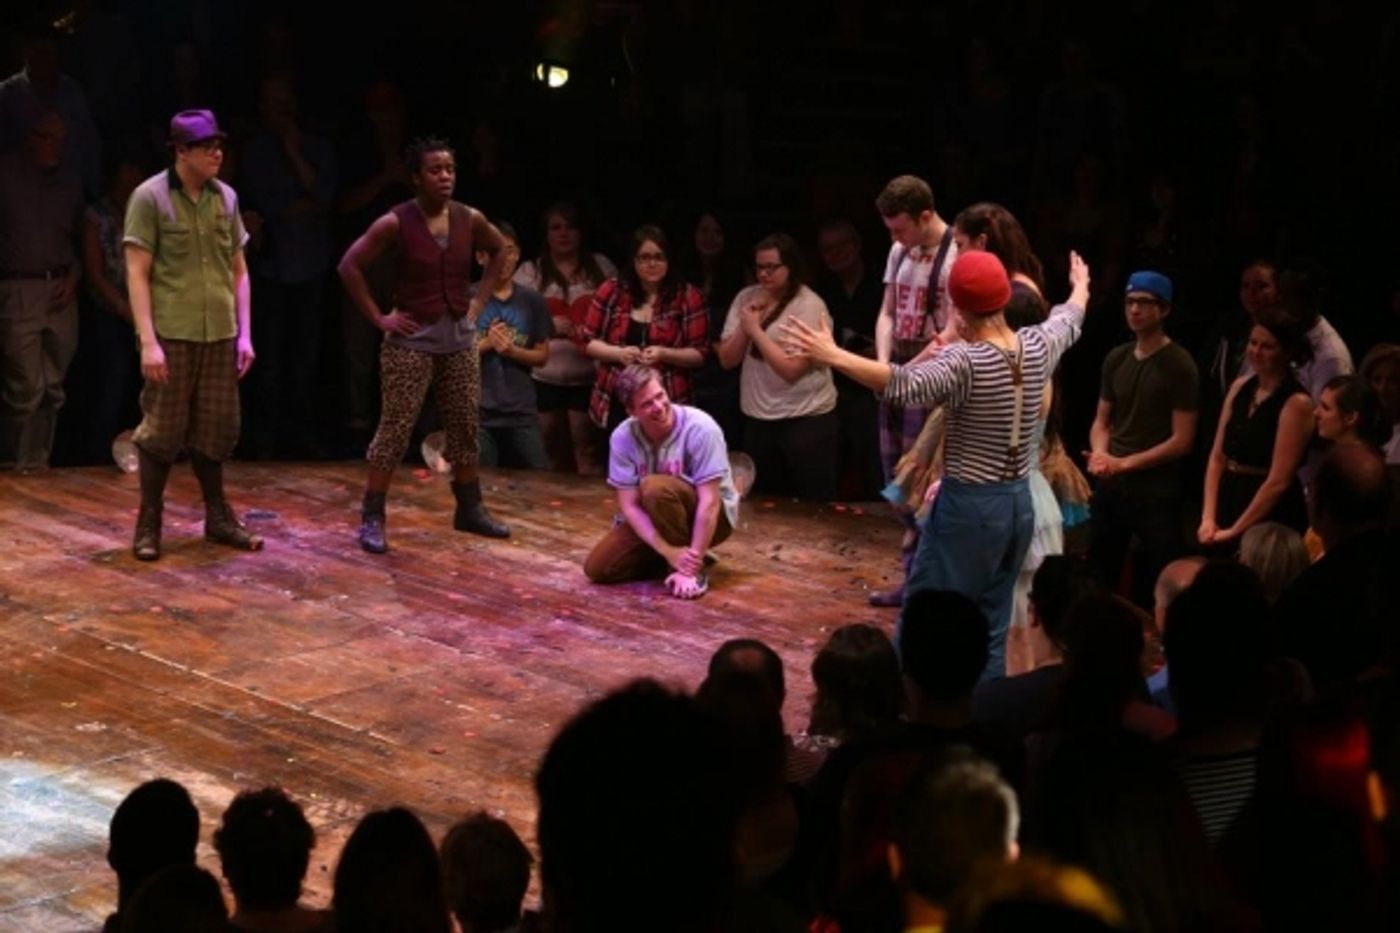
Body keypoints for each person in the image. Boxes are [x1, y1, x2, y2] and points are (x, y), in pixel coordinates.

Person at [786, 250, 1091, 681]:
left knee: (924, 610)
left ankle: (902, 706)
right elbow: (1071, 316)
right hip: (1019, 505)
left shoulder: (966, 363)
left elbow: (901, 384)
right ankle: (982, 711)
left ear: (958, 308)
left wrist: (832, 355)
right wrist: (1081, 285)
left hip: (971, 508)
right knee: (992, 620)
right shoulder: (1039, 345)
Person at [338, 136, 511, 554]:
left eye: (450, 169)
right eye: (435, 170)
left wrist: (479, 303)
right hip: (410, 341)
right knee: (396, 429)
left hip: (458, 339)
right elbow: (349, 266)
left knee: (464, 425)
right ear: (416, 178)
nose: (445, 177)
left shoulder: (469, 218)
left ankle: (469, 508)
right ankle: (373, 515)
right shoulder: (396, 221)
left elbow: (500, 248)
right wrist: (380, 317)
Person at [124, 109, 261, 560]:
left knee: (217, 427)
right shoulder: (150, 198)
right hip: (174, 333)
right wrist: (148, 341)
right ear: (181, 151)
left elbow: (239, 271)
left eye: (219, 145)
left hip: (219, 334)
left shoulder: (227, 199)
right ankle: (149, 521)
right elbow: (137, 273)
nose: (217, 153)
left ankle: (218, 516)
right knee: (163, 429)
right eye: (206, 147)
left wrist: (244, 334)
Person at [868, 175, 961, 606]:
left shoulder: (955, 255)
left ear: (926, 216)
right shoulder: (898, 249)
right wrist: (885, 366)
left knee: (924, 479)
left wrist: (906, 377)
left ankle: (927, 586)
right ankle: (915, 577)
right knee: (896, 478)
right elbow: (887, 312)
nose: (895, 238)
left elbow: (954, 330)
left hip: (933, 371)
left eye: (900, 228)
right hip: (900, 367)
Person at [1085, 270, 1198, 608]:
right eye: (1130, 302)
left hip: (1155, 492)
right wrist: (1101, 455)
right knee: (1099, 570)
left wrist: (1124, 463)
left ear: (1163, 310)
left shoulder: (1179, 365)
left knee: (1158, 577)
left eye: (1144, 303)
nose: (1134, 310)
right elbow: (1102, 420)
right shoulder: (1116, 358)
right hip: (1113, 485)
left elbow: (1183, 440)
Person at [583, 364, 739, 599]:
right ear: (631, 411)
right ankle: (678, 555)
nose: (658, 407)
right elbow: (630, 506)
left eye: (660, 396)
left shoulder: (701, 428)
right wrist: (668, 550)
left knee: (654, 487)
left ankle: (690, 567)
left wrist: (687, 567)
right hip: (657, 513)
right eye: (647, 404)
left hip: (715, 518)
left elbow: (710, 502)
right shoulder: (622, 437)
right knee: (598, 568)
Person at [716, 233, 839, 500]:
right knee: (764, 503)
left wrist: (754, 329)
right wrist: (745, 327)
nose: (764, 273)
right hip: (759, 419)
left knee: (813, 504)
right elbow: (727, 360)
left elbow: (792, 370)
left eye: (772, 267)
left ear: (790, 267)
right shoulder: (745, 298)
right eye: (760, 267)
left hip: (805, 419)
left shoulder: (809, 305)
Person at [0, 109, 82, 470]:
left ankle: (39, 465)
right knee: (24, 389)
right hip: (19, 285)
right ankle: (14, 468)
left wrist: (74, 276)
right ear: (30, 138)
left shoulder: (69, 182)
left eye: (61, 140)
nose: (56, 147)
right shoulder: (6, 175)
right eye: (48, 138)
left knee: (53, 389)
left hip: (60, 290)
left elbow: (81, 237)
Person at [1198, 305, 1314, 548]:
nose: (1256, 351)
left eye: (1267, 346)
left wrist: (1235, 530)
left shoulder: (1296, 403)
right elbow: (1218, 457)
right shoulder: (1240, 387)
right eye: (1253, 343)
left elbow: (1279, 480)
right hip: (1228, 495)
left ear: (1286, 352)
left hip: (1266, 510)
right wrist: (1208, 517)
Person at [514, 202, 617, 473]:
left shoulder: (602, 267)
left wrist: (591, 327)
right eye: (556, 227)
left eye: (570, 227)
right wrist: (545, 326)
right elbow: (509, 320)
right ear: (546, 234)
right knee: (551, 447)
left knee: (587, 448)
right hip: (544, 376)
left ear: (581, 232)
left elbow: (620, 315)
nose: (563, 233)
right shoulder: (529, 272)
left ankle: (589, 511)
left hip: (588, 376)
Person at [581, 225, 710, 430]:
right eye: (644, 257)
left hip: (668, 399)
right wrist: (618, 353)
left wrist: (663, 354)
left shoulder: (688, 296)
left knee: (666, 460)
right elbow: (587, 342)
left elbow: (700, 354)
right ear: (633, 261)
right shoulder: (612, 290)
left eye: (659, 257)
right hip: (618, 399)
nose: (652, 264)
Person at [474, 222, 551, 469]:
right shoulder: (467, 299)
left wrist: (512, 351)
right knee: (483, 485)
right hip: (479, 415)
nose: (503, 259)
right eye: (495, 251)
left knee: (539, 481)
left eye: (508, 251)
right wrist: (487, 343)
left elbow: (542, 356)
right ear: (480, 257)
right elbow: (451, 356)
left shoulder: (532, 301)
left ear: (517, 254)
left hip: (521, 413)